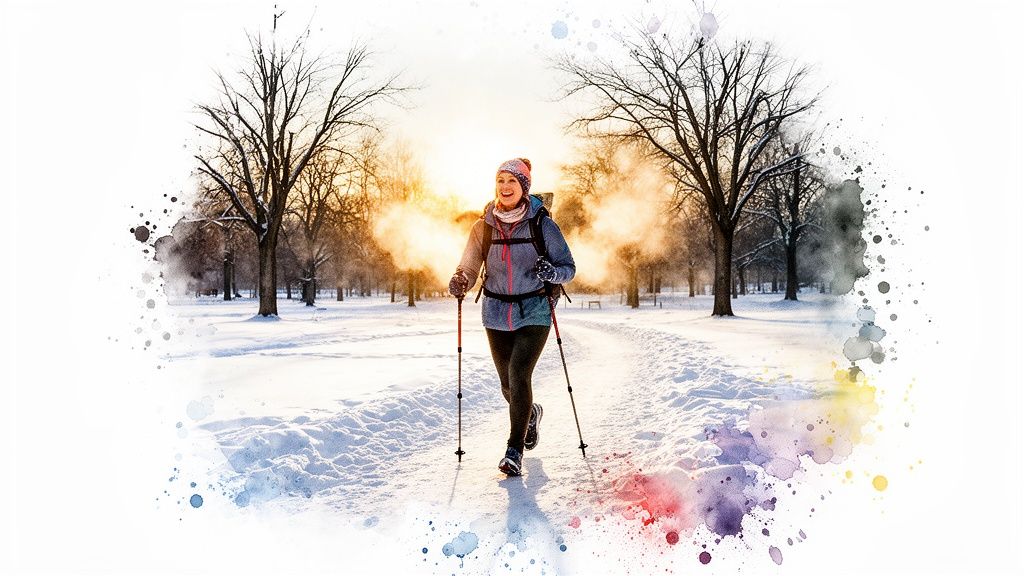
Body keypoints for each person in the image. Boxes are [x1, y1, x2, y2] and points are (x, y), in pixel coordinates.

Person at [448, 158, 576, 477]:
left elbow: (568, 267)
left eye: (512, 181)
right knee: (507, 384)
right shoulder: (483, 226)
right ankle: (530, 414)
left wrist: (552, 273)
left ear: (524, 187)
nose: (505, 187)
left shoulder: (542, 224)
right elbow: (469, 266)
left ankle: (513, 451)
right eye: (501, 181)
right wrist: (461, 279)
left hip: (535, 309)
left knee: (519, 374)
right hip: (495, 312)